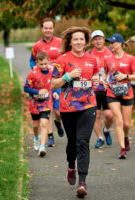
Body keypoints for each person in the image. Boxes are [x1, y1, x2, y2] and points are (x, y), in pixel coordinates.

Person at [51, 26, 100, 198]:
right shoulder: (62, 59)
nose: (79, 42)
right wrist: (68, 76)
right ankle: (71, 166)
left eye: (82, 39)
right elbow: (53, 84)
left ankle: (82, 182)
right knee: (72, 143)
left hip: (88, 105)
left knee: (83, 142)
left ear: (86, 42)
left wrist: (97, 80)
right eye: (75, 39)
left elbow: (98, 81)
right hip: (68, 107)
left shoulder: (93, 59)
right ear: (70, 42)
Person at [29, 18, 64, 147]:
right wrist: (33, 67)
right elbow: (32, 60)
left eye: (50, 28)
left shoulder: (61, 43)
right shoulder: (37, 45)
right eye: (45, 28)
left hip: (58, 80)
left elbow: (67, 58)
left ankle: (58, 122)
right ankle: (50, 136)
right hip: (44, 83)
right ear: (42, 29)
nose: (48, 30)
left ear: (53, 29)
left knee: (58, 112)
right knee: (47, 108)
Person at [104, 33, 135, 159]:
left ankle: (125, 137)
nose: (110, 45)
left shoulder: (131, 59)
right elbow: (105, 73)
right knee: (118, 120)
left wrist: (126, 76)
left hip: (127, 93)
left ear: (119, 43)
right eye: (110, 43)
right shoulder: (108, 59)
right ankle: (122, 149)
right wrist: (104, 81)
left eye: (112, 42)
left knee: (126, 124)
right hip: (112, 93)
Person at [87, 30, 114, 148]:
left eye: (100, 38)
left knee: (109, 115)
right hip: (94, 89)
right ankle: (99, 138)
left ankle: (106, 130)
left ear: (104, 40)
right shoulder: (88, 53)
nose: (98, 41)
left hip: (109, 89)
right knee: (95, 115)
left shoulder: (111, 52)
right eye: (95, 39)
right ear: (92, 41)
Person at [24, 52, 53, 157]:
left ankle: (42, 147)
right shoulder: (32, 74)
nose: (44, 66)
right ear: (36, 63)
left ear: (48, 61)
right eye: (41, 64)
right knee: (36, 125)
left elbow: (55, 83)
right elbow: (26, 88)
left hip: (46, 102)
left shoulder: (51, 72)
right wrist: (37, 92)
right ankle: (36, 138)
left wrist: (55, 93)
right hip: (34, 103)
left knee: (44, 124)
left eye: (46, 64)